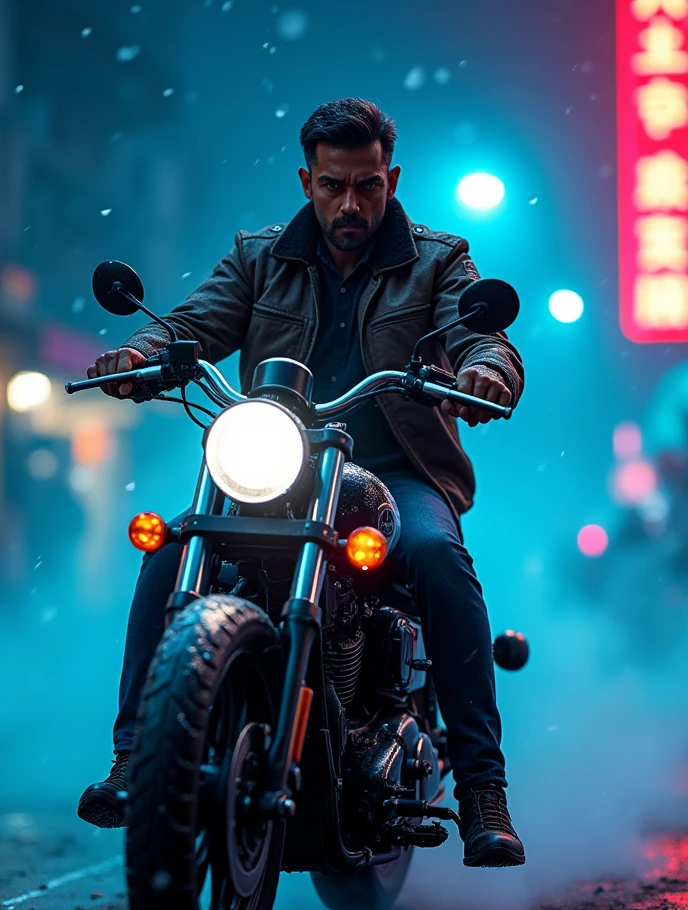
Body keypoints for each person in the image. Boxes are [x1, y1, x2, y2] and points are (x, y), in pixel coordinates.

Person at [77, 98, 526, 868]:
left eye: (365, 186)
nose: (348, 204)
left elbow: (480, 332)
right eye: (330, 186)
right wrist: (139, 352)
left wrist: (486, 371)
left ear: (391, 177)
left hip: (394, 469)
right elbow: (192, 323)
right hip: (279, 463)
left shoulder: (439, 259)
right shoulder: (259, 256)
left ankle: (483, 792)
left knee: (437, 560)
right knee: (171, 548)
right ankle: (135, 758)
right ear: (306, 179)